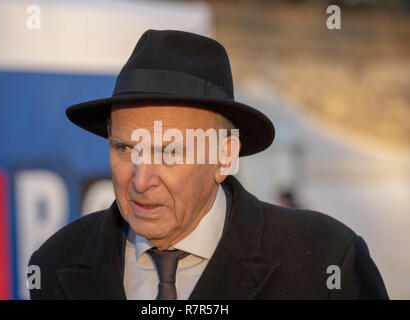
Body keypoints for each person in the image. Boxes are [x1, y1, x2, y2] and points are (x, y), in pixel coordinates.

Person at [28, 29, 388, 300]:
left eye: (169, 152)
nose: (140, 179)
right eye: (124, 147)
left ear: (224, 156)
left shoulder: (325, 260)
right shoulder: (55, 263)